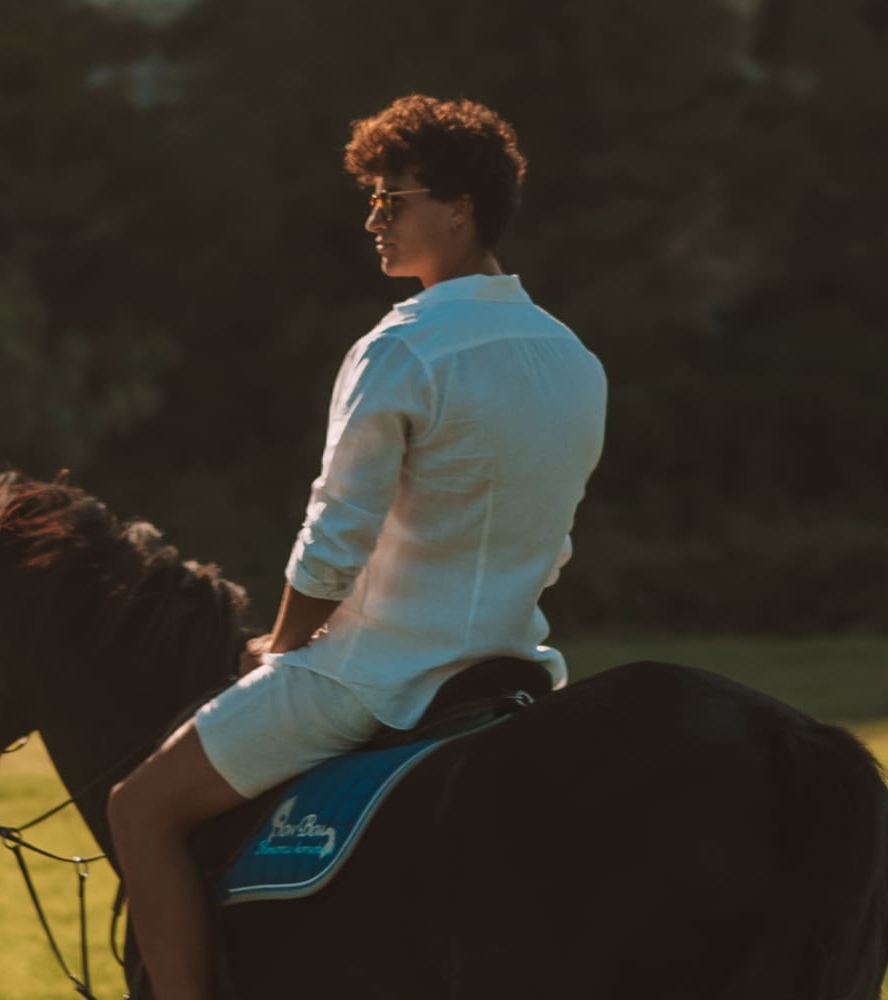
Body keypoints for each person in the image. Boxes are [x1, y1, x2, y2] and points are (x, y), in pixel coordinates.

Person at [106, 93, 607, 1000]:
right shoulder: (572, 356)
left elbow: (336, 531)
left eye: (394, 199)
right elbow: (554, 540)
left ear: (459, 208)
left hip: (375, 676)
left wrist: (285, 646)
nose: (373, 219)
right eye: (372, 199)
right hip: (515, 666)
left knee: (138, 810)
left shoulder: (402, 349)